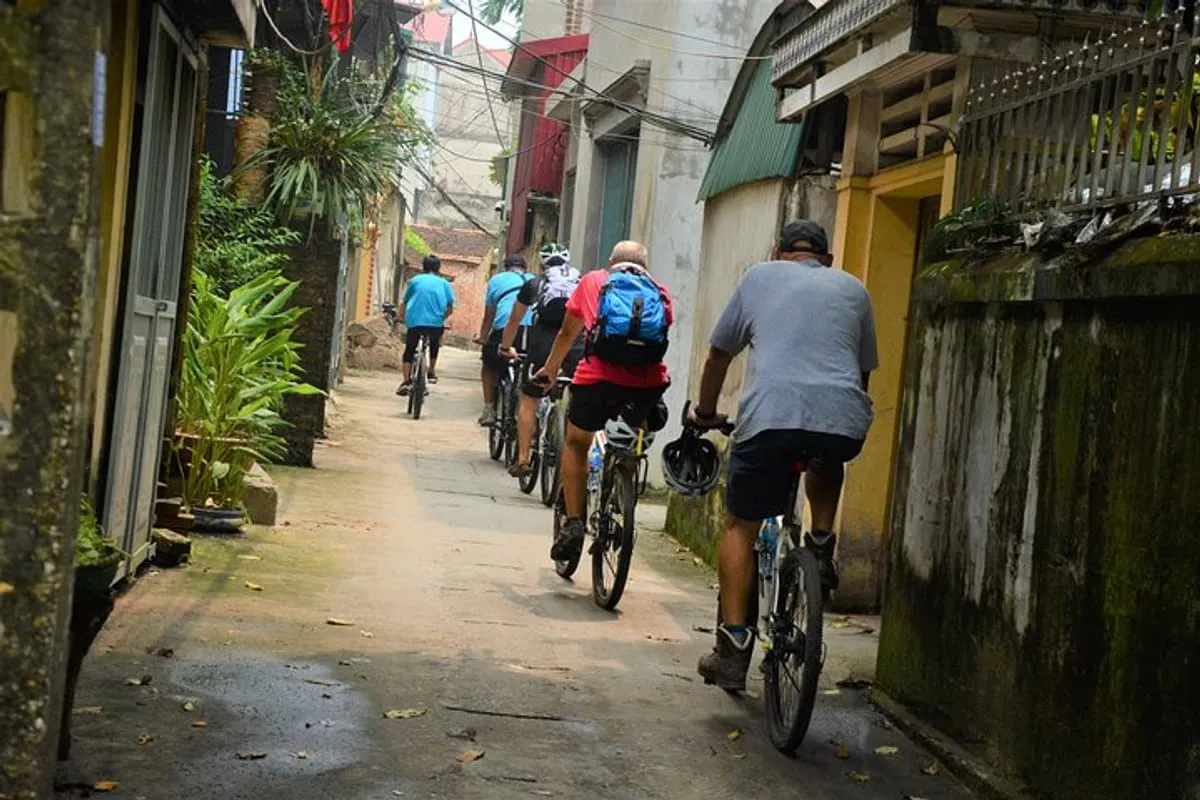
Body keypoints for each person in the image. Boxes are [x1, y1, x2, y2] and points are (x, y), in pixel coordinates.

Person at [685, 219, 879, 691]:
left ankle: (732, 649)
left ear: (779, 252)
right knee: (827, 454)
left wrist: (706, 412)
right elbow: (860, 371)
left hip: (771, 417)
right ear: (826, 259)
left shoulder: (759, 276)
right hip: (842, 418)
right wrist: (842, 415)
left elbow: (718, 356)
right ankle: (820, 543)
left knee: (739, 526)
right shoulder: (854, 290)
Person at [534, 241, 673, 562]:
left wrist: (550, 369)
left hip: (597, 379)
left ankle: (573, 523)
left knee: (577, 442)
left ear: (611, 262)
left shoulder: (594, 281)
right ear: (645, 266)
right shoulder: (659, 291)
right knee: (635, 424)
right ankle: (626, 473)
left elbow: (568, 334)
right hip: (647, 385)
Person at [499, 243, 583, 477]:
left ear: (542, 262)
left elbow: (514, 320)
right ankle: (578, 453)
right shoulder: (581, 282)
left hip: (543, 344)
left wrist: (506, 347)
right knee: (580, 399)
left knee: (529, 399)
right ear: (567, 261)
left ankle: (523, 459)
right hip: (576, 344)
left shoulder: (533, 284)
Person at [476, 253, 534, 426]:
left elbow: (490, 314)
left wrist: (482, 337)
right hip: (533, 331)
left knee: (488, 365)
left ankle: (489, 410)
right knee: (530, 368)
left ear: (505, 267)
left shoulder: (497, 280)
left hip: (505, 328)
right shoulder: (535, 279)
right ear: (525, 267)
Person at [396, 254, 454, 396]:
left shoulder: (415, 281)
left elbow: (404, 302)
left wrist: (401, 317)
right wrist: (441, 318)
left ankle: (406, 381)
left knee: (409, 350)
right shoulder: (444, 283)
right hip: (436, 324)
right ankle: (431, 371)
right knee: (434, 345)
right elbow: (450, 307)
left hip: (415, 322)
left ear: (423, 267)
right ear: (438, 268)